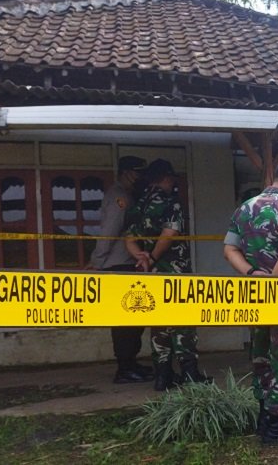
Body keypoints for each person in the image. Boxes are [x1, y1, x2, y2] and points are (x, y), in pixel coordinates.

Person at [223, 157, 278, 445]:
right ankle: (277, 428)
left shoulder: (245, 207)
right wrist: (274, 286)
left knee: (262, 358)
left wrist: (252, 273)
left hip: (256, 299)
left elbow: (229, 250)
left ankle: (264, 419)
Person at [124, 159, 211, 390]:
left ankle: (163, 376)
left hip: (151, 274)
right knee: (182, 319)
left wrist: (141, 257)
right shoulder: (170, 201)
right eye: (171, 177)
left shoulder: (139, 204)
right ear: (165, 178)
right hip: (175, 271)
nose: (173, 181)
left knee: (159, 321)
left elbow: (130, 239)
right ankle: (190, 373)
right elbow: (170, 233)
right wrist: (152, 256)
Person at [88, 156, 153, 384]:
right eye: (137, 172)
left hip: (128, 263)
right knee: (125, 320)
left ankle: (130, 363)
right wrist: (97, 261)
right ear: (125, 172)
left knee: (134, 319)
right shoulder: (119, 197)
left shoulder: (127, 195)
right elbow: (109, 232)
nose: (140, 177)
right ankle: (124, 368)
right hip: (118, 265)